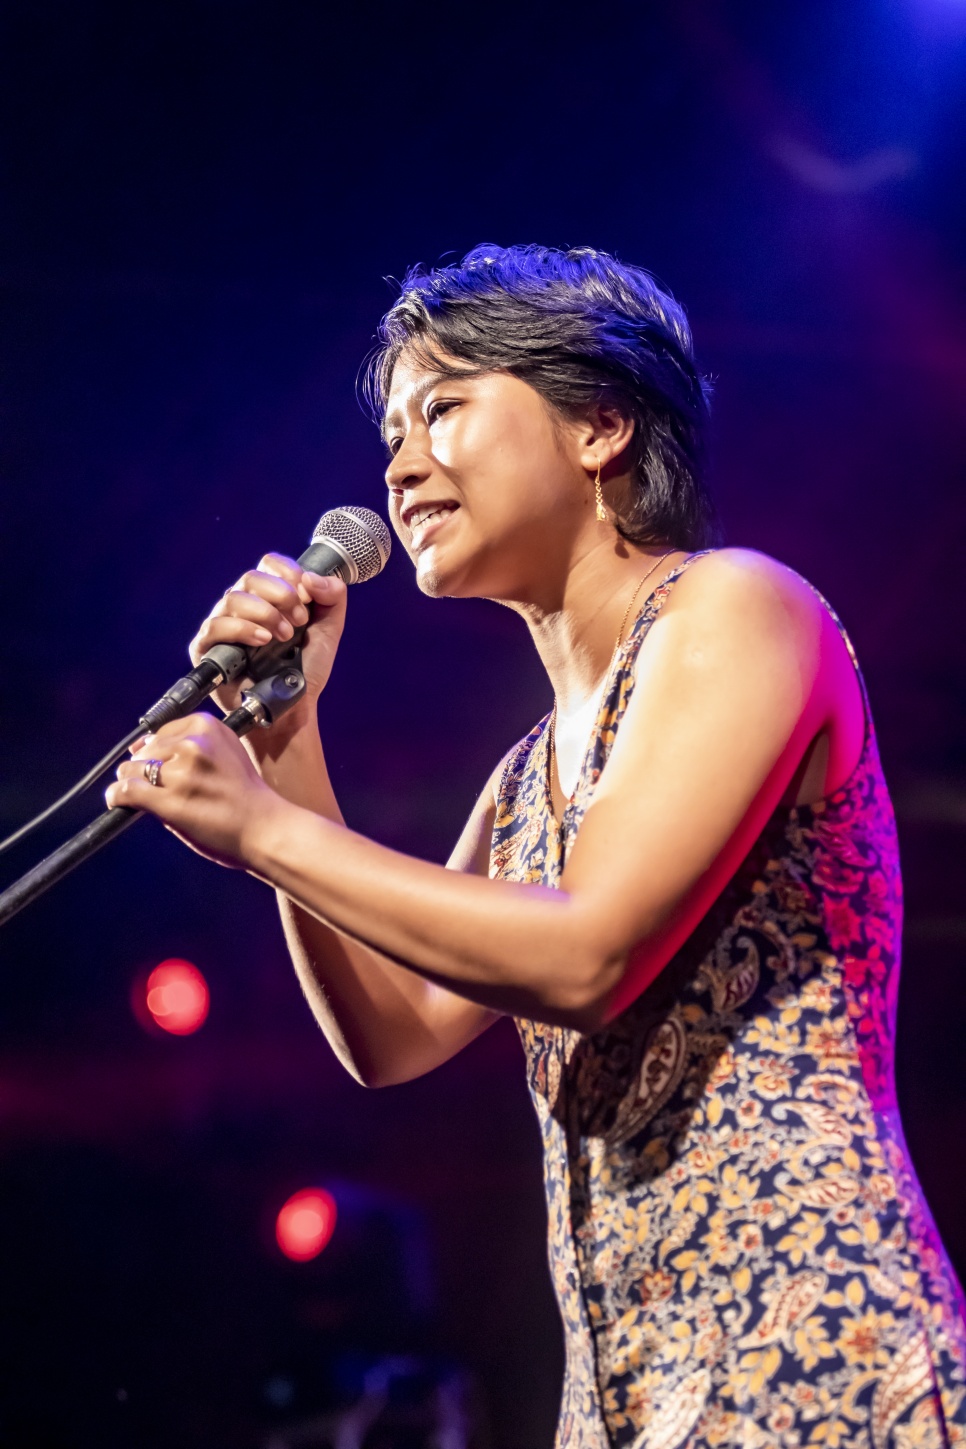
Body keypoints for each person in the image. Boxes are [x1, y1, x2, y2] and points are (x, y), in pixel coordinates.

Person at [107, 245, 966, 1449]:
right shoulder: (523, 783)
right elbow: (395, 1033)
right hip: (625, 1393)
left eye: (444, 408)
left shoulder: (738, 608)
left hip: (812, 1353)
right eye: (395, 431)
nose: (401, 466)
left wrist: (266, 828)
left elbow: (586, 956)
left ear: (600, 425)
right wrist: (289, 745)